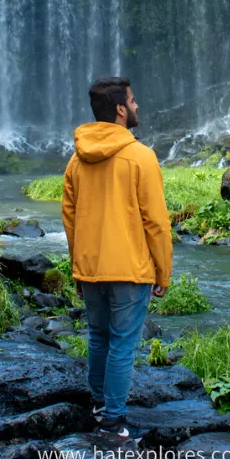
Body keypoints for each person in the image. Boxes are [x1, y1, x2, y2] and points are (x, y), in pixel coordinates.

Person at [61, 77, 173, 440]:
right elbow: (155, 222)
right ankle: (113, 419)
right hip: (130, 269)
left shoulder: (76, 160)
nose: (138, 106)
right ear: (121, 109)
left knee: (98, 337)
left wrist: (78, 267)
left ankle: (98, 405)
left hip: (90, 268)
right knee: (123, 345)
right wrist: (163, 272)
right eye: (133, 100)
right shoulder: (141, 156)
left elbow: (70, 219)